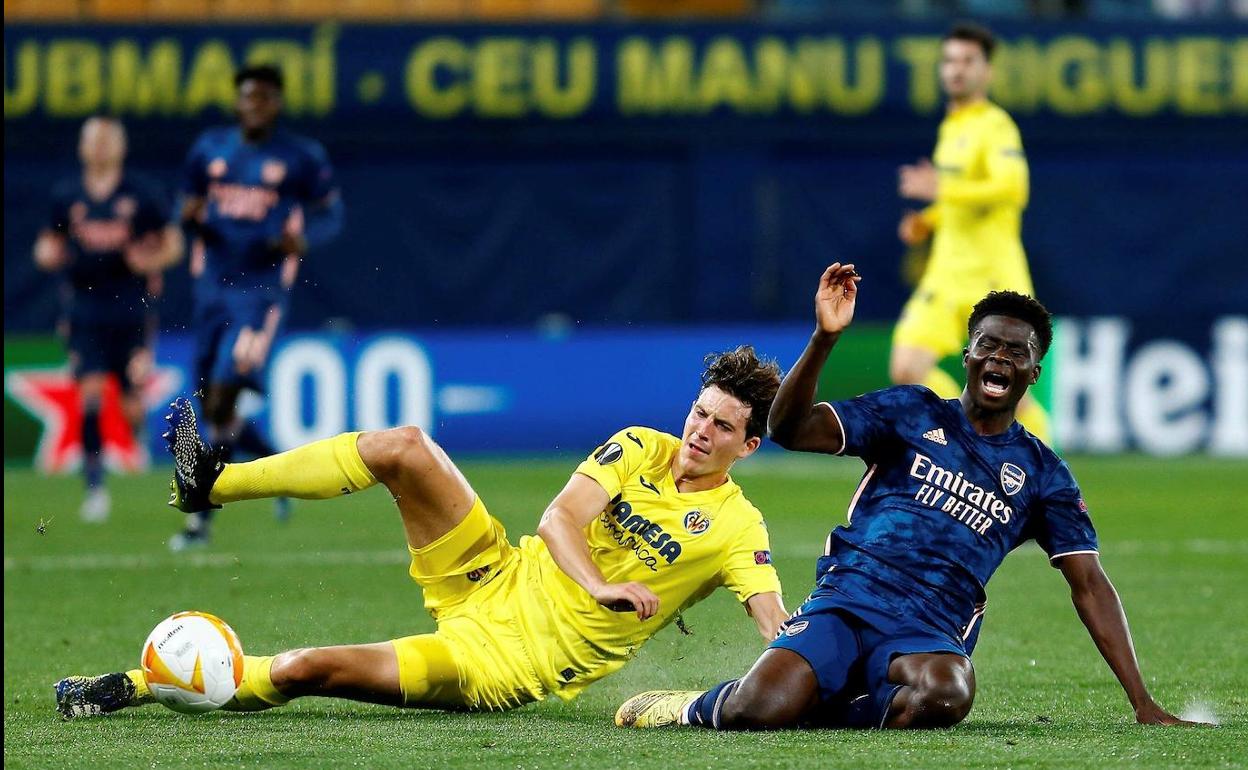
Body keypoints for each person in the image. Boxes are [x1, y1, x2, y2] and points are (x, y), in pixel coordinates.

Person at [54, 347, 790, 719]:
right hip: (491, 573)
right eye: (699, 412)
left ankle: (144, 683)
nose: (699, 431)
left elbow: (774, 627)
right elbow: (559, 518)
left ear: (748, 445)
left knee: (304, 668)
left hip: (489, 666)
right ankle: (210, 483)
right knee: (403, 445)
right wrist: (599, 584)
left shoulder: (736, 529)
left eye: (722, 426)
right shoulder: (641, 445)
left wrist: (822, 657)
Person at [616, 264, 1195, 730]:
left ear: (1033, 372)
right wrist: (825, 338)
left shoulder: (1044, 474)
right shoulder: (911, 412)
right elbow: (791, 429)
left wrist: (1142, 700)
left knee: (948, 695)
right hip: (847, 599)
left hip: (928, 631)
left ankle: (818, 702)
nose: (999, 357)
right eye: (987, 345)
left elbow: (1089, 585)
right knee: (758, 711)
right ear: (966, 356)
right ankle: (692, 707)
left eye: (1016, 352)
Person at [172, 63, 344, 549]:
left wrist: (303, 239)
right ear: (237, 101)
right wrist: (184, 219)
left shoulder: (299, 158)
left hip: (260, 295)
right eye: (250, 96)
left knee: (223, 396)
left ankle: (199, 515)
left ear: (278, 103)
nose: (257, 105)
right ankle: (275, 469)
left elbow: (332, 213)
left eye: (266, 97)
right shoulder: (210, 150)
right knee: (210, 406)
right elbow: (184, 209)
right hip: (211, 291)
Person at [893, 22, 1052, 445]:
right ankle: (966, 435)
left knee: (1012, 397)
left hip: (992, 276)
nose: (956, 70)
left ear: (988, 72)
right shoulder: (952, 128)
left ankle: (1051, 473)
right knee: (906, 366)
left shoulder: (996, 126)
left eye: (967, 61)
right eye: (949, 61)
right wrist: (929, 219)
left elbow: (1013, 188)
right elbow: (963, 201)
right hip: (947, 274)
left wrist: (941, 189)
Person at [33, 116, 182, 523]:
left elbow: (173, 243)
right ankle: (95, 487)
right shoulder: (68, 194)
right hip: (85, 309)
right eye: (92, 139)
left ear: (120, 145)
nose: (99, 146)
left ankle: (142, 451)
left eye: (106, 139)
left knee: (133, 402)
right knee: (91, 394)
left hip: (130, 308)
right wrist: (46, 253)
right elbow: (50, 242)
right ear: (82, 147)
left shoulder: (141, 193)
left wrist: (149, 259)